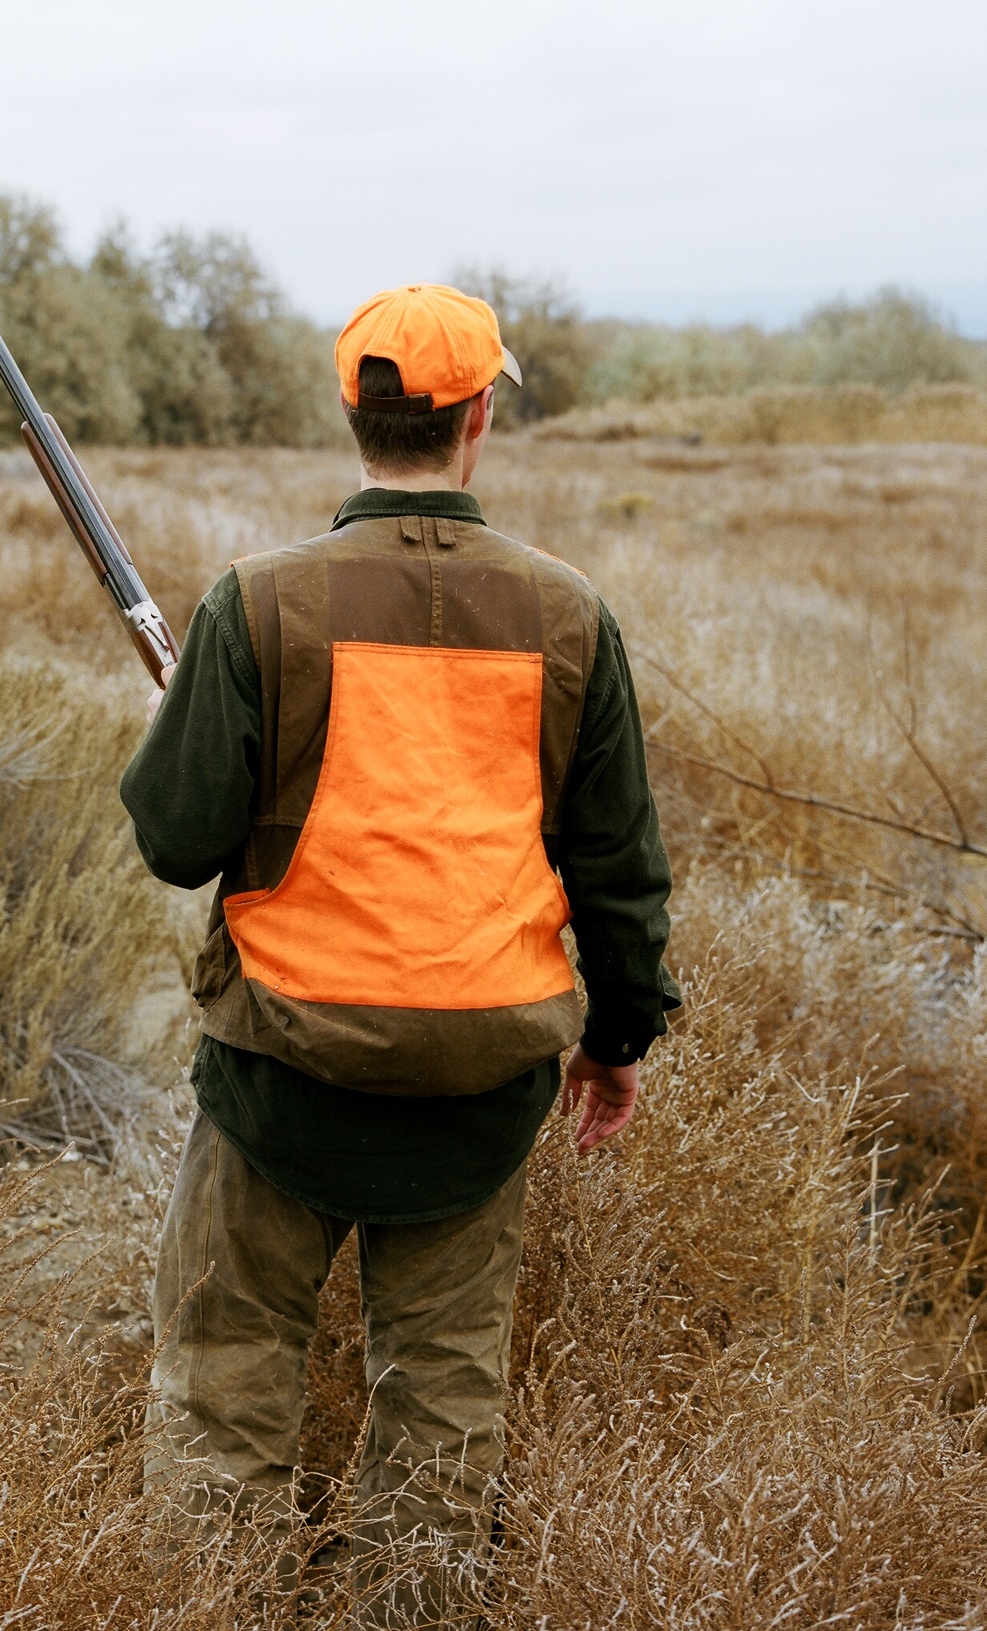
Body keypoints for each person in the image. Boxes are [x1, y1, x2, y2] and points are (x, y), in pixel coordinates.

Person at [120, 284, 679, 1612]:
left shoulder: (259, 604)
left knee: (225, 1384)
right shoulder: (568, 617)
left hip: (278, 1077)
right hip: (477, 1089)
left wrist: (199, 725)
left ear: (352, 415)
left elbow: (174, 839)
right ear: (479, 416)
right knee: (440, 1411)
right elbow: (620, 872)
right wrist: (616, 1042)